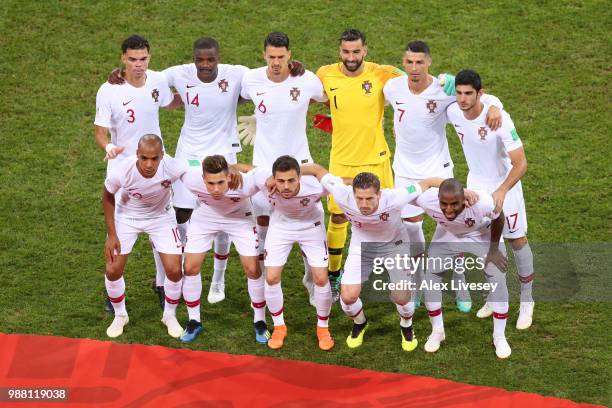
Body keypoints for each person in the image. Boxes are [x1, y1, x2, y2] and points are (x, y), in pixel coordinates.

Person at [108, 37, 306, 304]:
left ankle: (217, 279)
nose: (204, 65)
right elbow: (148, 77)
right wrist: (121, 74)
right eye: (199, 59)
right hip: (188, 155)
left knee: (226, 212)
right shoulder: (180, 73)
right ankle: (165, 279)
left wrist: (293, 68)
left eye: (210, 59)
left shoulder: (236, 74)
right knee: (179, 215)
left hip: (225, 155)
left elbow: (267, 78)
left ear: (218, 58)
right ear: (193, 59)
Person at [383, 40, 505, 312]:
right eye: (409, 62)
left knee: (452, 226)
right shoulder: (392, 87)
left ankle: (459, 279)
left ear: (429, 62)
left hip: (437, 171)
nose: (414, 68)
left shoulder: (443, 89)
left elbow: (476, 97)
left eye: (419, 62)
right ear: (403, 63)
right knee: (412, 227)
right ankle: (415, 282)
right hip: (404, 172)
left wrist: (495, 105)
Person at [302, 163, 444, 351]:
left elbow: (427, 183)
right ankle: (360, 323)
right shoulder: (341, 193)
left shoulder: (395, 197)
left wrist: (463, 192)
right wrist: (276, 175)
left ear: (380, 194)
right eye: (359, 198)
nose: (364, 204)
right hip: (362, 247)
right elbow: (318, 171)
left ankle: (406, 325)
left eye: (369, 198)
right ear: (353, 194)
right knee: (347, 298)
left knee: (401, 296)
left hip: (394, 245)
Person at [239, 32, 328, 305]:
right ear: (264, 54)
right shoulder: (251, 79)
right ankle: (268, 277)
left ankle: (311, 280)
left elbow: (326, 98)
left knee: (310, 220)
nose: (276, 62)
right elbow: (240, 96)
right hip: (264, 165)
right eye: (271, 56)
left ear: (290, 54)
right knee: (264, 221)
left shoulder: (307, 79)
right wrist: (259, 117)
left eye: (281, 56)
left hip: (301, 166)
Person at [314, 29, 403, 301]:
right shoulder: (325, 74)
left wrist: (445, 80)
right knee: (339, 216)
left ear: (365, 50)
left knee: (388, 215)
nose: (351, 57)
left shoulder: (382, 73)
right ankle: (334, 273)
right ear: (339, 50)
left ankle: (399, 274)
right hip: (342, 160)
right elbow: (301, 92)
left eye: (356, 51)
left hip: (376, 159)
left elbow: (417, 81)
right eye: (346, 51)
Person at [95, 34, 182, 312]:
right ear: (123, 58)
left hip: (156, 165)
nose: (138, 64)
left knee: (161, 223)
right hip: (123, 169)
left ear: (149, 57)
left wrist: (207, 96)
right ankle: (113, 290)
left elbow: (171, 103)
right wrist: (108, 146)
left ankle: (161, 284)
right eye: (132, 59)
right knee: (118, 237)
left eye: (143, 59)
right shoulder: (109, 90)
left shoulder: (157, 81)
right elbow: (100, 132)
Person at [447, 69, 534, 330]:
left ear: (480, 94)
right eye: (459, 93)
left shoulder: (499, 119)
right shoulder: (453, 112)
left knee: (516, 239)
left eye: (468, 94)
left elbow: (521, 164)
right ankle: (495, 297)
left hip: (505, 185)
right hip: (476, 185)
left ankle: (528, 300)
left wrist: (503, 190)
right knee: (484, 242)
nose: (462, 99)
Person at [232, 156, 334, 351]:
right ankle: (279, 326)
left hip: (311, 227)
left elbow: (341, 182)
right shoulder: (264, 179)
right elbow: (243, 168)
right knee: (271, 277)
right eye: (280, 181)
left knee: (321, 279)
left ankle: (323, 328)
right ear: (273, 178)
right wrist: (231, 168)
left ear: (299, 178)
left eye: (291, 180)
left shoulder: (316, 186)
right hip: (280, 227)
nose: (285, 186)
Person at [102, 135, 186, 339]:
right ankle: (120, 315)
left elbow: (199, 166)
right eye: (144, 158)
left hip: (161, 217)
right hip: (127, 217)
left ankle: (169, 315)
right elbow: (106, 195)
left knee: (175, 271)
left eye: (155, 158)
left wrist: (235, 169)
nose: (149, 164)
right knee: (113, 270)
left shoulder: (173, 166)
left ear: (162, 156)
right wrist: (112, 234)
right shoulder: (123, 169)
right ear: (137, 155)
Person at [178, 155, 269, 343]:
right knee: (190, 267)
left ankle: (260, 321)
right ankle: (194, 320)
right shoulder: (190, 176)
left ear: (228, 176)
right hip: (206, 217)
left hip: (240, 218)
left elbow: (267, 173)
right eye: (211, 183)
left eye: (220, 182)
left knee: (253, 269)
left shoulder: (246, 182)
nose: (216, 189)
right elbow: (167, 165)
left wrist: (238, 166)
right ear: (203, 178)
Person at [417, 179, 511, 358]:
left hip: (481, 234)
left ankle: (499, 336)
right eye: (444, 204)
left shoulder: (482, 203)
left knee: (498, 280)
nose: (449, 209)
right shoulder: (425, 200)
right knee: (431, 279)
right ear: (437, 199)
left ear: (465, 200)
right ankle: (437, 331)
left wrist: (493, 250)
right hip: (448, 235)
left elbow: (499, 216)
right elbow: (423, 183)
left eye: (454, 204)